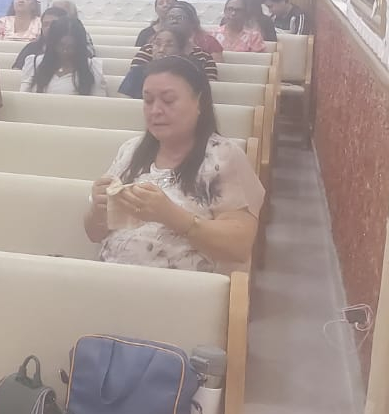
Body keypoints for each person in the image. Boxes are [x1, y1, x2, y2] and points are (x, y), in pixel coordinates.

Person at [85, 56, 264, 273]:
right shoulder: (130, 151)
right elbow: (94, 234)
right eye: (148, 100)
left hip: (179, 287)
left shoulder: (223, 156)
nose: (155, 110)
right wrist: (98, 209)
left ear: (199, 102)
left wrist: (170, 215)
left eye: (168, 100)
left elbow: (238, 248)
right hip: (110, 277)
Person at [120, 22, 218, 98]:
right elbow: (123, 106)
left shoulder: (191, 78)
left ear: (181, 51)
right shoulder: (137, 73)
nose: (161, 49)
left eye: (169, 45)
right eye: (157, 44)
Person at [19, 18, 106, 96]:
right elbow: (23, 97)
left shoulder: (92, 67)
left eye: (71, 47)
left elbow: (98, 103)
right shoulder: (34, 63)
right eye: (60, 45)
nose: (65, 51)